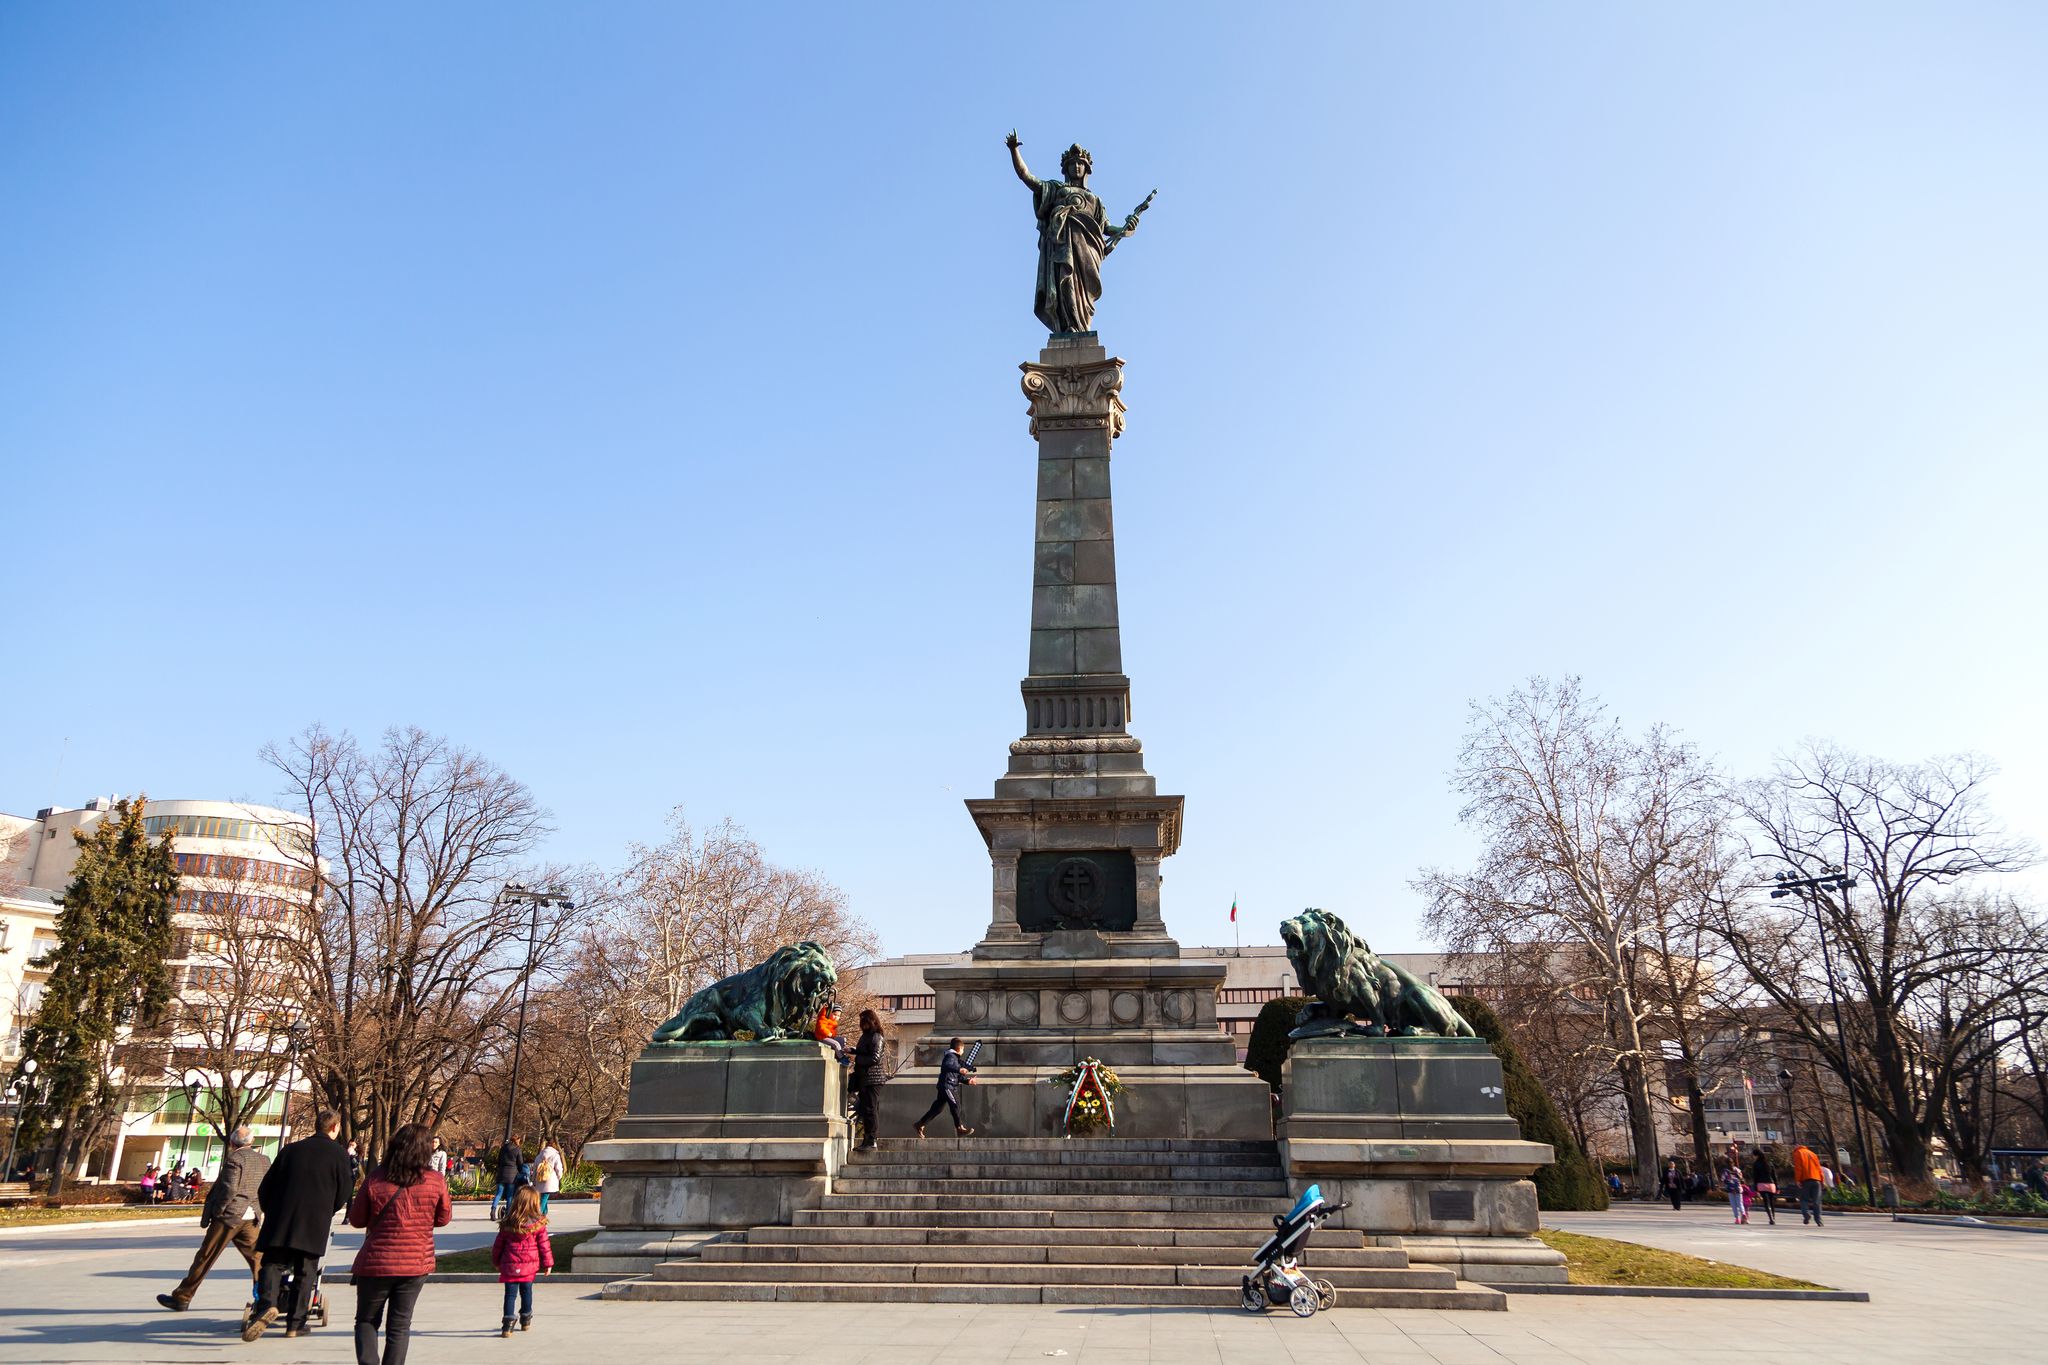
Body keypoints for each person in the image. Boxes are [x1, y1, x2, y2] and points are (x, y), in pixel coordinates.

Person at [348, 1123, 453, 1365]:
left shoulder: (376, 1178)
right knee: (400, 1326)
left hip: (377, 1263)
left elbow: (356, 1219)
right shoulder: (435, 1180)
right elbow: (443, 1218)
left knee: (366, 1321)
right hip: (415, 1263)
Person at [247, 1110, 355, 1341]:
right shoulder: (339, 1154)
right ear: (334, 1128)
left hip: (280, 1218)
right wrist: (329, 1209)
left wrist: (270, 1209)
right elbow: (345, 1189)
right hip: (314, 1220)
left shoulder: (290, 1150)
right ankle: (295, 1324)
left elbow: (266, 1186)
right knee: (306, 1271)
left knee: (272, 1264)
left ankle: (267, 1306)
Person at [157, 1125, 269, 1312]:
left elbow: (229, 1189)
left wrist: (218, 1210)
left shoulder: (235, 1159)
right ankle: (266, 1297)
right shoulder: (264, 1160)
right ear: (252, 1142)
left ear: (232, 1143)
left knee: (206, 1256)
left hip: (229, 1216)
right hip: (251, 1215)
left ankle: (182, 1297)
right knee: (258, 1258)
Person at [491, 1184, 554, 1336]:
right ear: (535, 1203)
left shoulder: (507, 1223)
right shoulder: (538, 1225)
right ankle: (525, 1318)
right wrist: (548, 1264)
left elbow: (498, 1245)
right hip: (529, 1266)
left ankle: (507, 1324)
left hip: (510, 1265)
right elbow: (544, 1246)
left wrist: (496, 1261)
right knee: (527, 1292)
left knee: (510, 1295)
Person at [914, 1038, 977, 1139]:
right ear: (959, 1048)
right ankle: (960, 1128)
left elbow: (956, 1076)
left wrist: (967, 1081)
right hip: (948, 1086)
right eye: (963, 1049)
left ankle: (920, 1124)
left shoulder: (955, 1059)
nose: (963, 1051)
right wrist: (959, 1069)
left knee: (937, 1108)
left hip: (946, 1085)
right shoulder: (951, 1056)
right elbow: (946, 1066)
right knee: (956, 1104)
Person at [850, 1009, 887, 1152]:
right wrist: (853, 1051)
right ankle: (867, 1139)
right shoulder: (866, 1036)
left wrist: (857, 1058)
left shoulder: (877, 1036)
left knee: (870, 1110)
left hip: (873, 1078)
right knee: (865, 1110)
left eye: (865, 1022)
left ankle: (871, 1141)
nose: (862, 1025)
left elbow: (874, 1058)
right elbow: (865, 1052)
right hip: (865, 1078)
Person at [1791, 1143, 1826, 1227]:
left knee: (1804, 1199)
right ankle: (1819, 1220)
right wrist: (1822, 1180)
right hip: (1816, 1179)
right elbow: (1819, 1168)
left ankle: (1806, 1214)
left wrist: (1798, 1180)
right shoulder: (1813, 1154)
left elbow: (1798, 1168)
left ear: (1796, 1146)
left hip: (1805, 1179)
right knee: (1817, 1201)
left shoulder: (1797, 1153)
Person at [490, 1135, 523, 1220]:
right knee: (510, 1195)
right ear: (517, 1141)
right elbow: (520, 1163)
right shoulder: (517, 1150)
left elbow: (499, 1161)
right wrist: (519, 1170)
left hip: (501, 1173)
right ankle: (508, 1214)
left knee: (498, 1194)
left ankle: (493, 1211)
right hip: (512, 1175)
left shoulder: (503, 1148)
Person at [1750, 1146, 1780, 1226]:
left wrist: (1755, 1188)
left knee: (1766, 1202)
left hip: (1761, 1184)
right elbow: (1774, 1176)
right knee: (1771, 1202)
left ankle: (1771, 1219)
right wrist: (1777, 1187)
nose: (1753, 1157)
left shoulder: (1756, 1164)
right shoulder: (1769, 1163)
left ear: (1756, 1156)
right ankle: (1773, 1217)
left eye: (1753, 1155)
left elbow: (1755, 1177)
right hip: (1771, 1185)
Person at [531, 1138, 563, 1215]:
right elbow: (558, 1168)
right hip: (550, 1179)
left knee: (543, 1196)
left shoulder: (539, 1156)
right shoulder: (555, 1155)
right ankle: (539, 1214)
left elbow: (535, 1168)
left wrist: (533, 1180)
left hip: (539, 1179)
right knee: (545, 1196)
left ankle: (544, 1213)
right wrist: (559, 1177)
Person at [1719, 1158, 1748, 1224]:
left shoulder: (1725, 1171)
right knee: (1740, 1203)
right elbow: (1741, 1178)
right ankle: (1743, 1213)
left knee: (1733, 1204)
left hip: (1730, 1189)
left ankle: (1737, 1218)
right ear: (1733, 1163)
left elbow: (1722, 1179)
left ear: (1726, 1163)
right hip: (1738, 1188)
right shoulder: (1737, 1170)